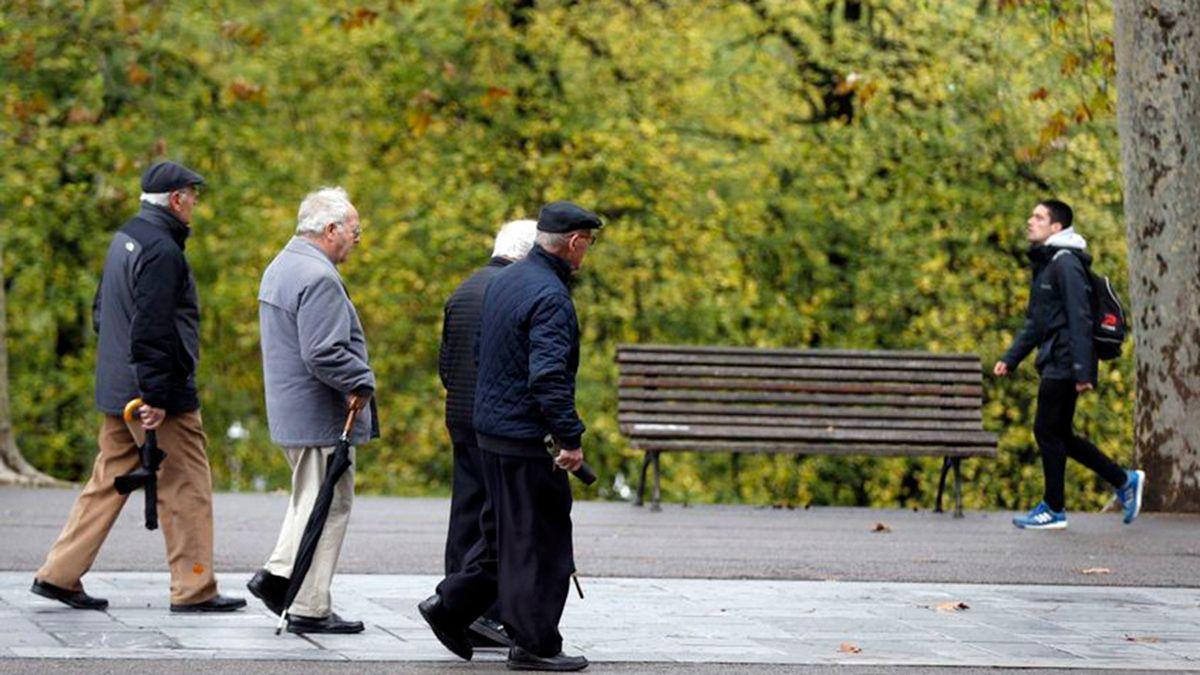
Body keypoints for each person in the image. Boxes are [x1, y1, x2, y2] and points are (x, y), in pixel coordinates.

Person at [32, 160, 245, 613]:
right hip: (152, 395)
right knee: (186, 485)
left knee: (108, 481)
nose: (195, 203)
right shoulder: (163, 252)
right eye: (192, 195)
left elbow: (101, 312)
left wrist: (126, 379)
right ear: (175, 199)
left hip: (118, 386)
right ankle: (194, 588)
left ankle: (59, 573)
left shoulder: (125, 238)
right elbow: (153, 329)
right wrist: (156, 395)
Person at [419, 201, 601, 672]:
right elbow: (548, 378)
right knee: (542, 542)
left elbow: (480, 356)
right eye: (590, 242)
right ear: (575, 242)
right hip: (525, 438)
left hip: (491, 433)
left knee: (503, 537)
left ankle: (451, 606)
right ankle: (535, 643)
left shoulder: (505, 283)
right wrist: (570, 439)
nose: (588, 252)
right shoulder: (551, 297)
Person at [247, 187, 378, 634]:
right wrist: (361, 380)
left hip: (293, 412)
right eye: (355, 230)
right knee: (328, 504)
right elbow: (323, 352)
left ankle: (290, 585)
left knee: (312, 499)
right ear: (330, 229)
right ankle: (300, 597)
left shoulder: (281, 266)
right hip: (319, 415)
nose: (357, 239)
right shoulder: (317, 276)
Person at [994, 199, 1144, 530]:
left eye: (1038, 217)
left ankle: (1054, 508)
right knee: (1060, 433)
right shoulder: (1049, 265)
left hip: (1064, 360)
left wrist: (1083, 371)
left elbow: (1080, 316)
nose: (1030, 221)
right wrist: (1011, 357)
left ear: (1056, 227)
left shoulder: (1066, 264)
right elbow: (1037, 322)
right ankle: (1123, 479)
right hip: (1057, 357)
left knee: (1046, 430)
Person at [437, 219, 538, 649]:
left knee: (465, 513)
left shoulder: (463, 289)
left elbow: (446, 362)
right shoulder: (512, 292)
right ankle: (481, 612)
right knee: (498, 520)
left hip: (459, 414)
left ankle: (455, 604)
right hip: (494, 423)